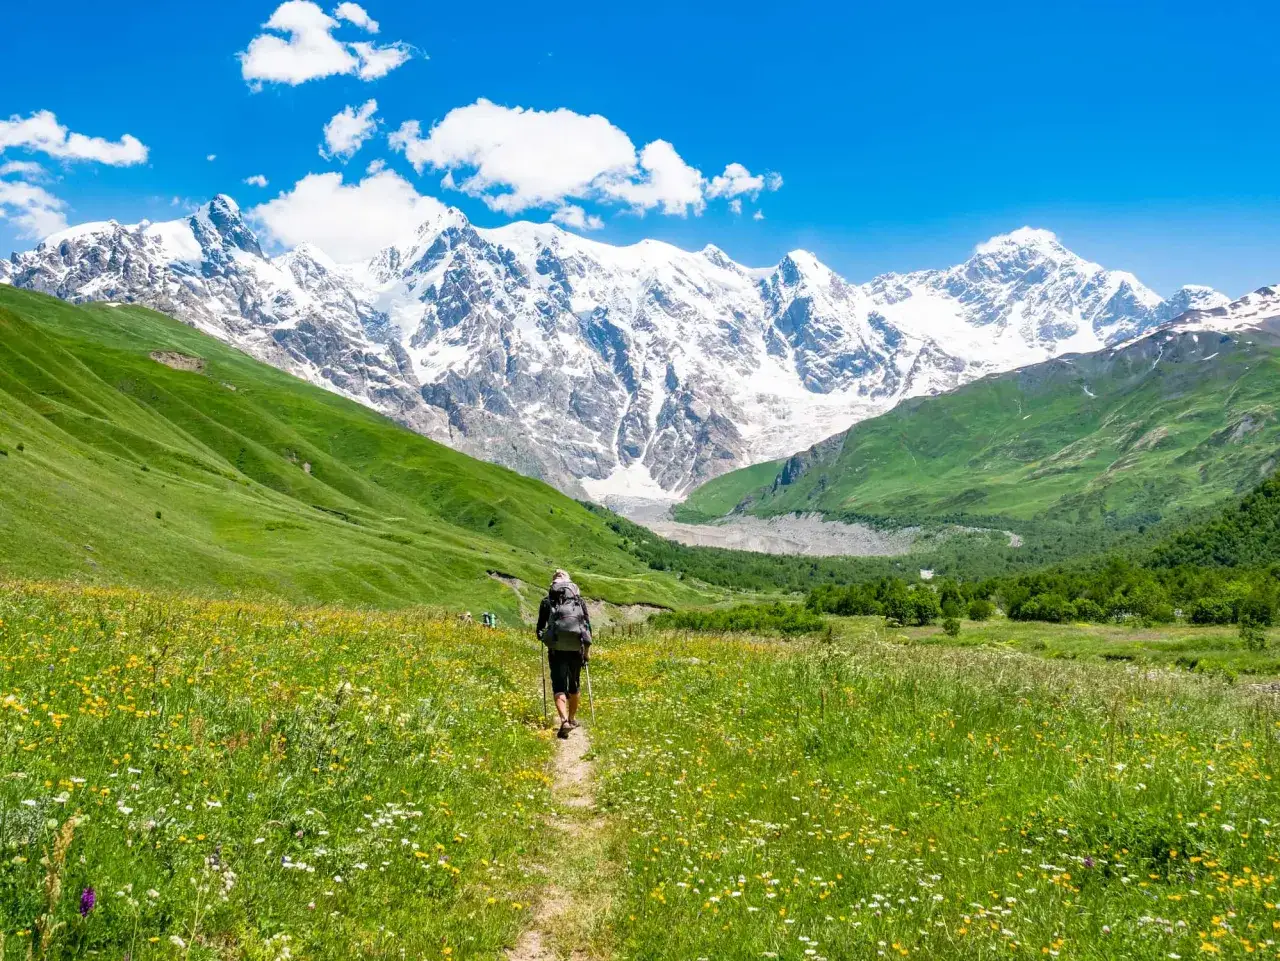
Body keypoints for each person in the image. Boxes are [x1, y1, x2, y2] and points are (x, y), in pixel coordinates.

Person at [536, 568, 593, 739]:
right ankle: (572, 718)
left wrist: (545, 638)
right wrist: (587, 652)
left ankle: (563, 720)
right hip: (577, 648)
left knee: (559, 685)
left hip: (556, 649)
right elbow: (587, 627)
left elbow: (539, 629)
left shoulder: (547, 601)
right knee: (574, 685)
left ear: (553, 584)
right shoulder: (578, 601)